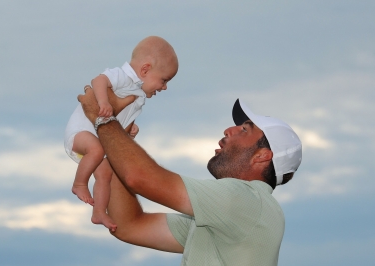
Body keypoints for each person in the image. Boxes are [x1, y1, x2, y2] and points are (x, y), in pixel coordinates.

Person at [78, 88, 302, 266]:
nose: (228, 130)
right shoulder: (224, 217)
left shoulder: (248, 200)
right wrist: (116, 142)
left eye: (245, 130)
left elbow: (140, 178)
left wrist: (104, 119)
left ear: (262, 156)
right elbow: (129, 226)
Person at [64, 36, 178, 231]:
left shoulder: (139, 97)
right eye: (164, 80)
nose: (165, 87)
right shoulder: (123, 77)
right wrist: (104, 102)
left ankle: (99, 212)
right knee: (97, 150)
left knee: (106, 174)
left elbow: (117, 126)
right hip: (80, 133)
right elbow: (98, 80)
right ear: (145, 69)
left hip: (96, 147)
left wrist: (128, 131)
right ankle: (79, 184)